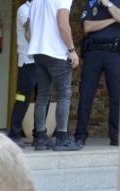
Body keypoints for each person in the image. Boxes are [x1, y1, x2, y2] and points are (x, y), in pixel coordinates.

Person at [28, 0, 83, 150]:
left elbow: (28, 32)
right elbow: (63, 25)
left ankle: (40, 138)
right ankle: (62, 138)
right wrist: (72, 50)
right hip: (56, 53)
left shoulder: (35, 2)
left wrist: (39, 43)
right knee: (64, 94)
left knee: (42, 95)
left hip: (38, 51)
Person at [74, 0, 120, 147]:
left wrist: (108, 5)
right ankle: (80, 135)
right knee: (86, 95)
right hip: (93, 53)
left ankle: (116, 137)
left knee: (117, 96)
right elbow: (87, 27)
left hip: (115, 54)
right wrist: (113, 18)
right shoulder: (92, 3)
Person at [7, 0, 38, 146]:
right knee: (22, 98)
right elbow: (29, 34)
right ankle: (14, 133)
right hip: (27, 62)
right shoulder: (24, 9)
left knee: (42, 99)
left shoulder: (39, 8)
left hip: (41, 61)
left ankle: (39, 134)